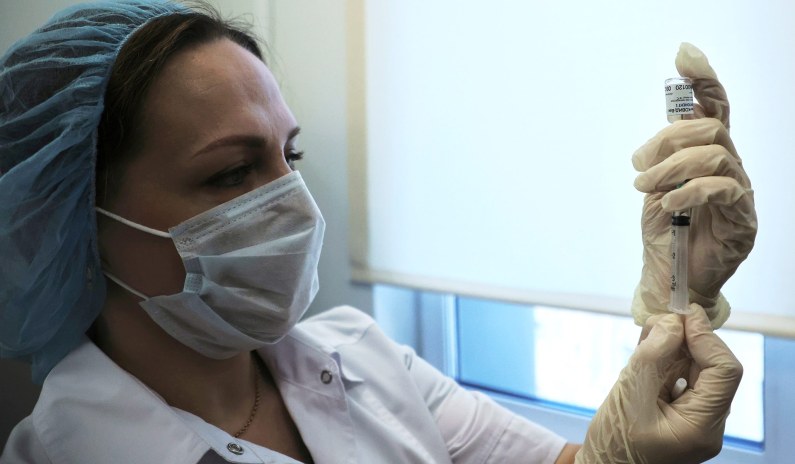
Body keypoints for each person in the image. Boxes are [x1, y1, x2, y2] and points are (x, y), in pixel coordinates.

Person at [0, 1, 756, 463]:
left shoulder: (359, 357)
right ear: (69, 220)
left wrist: (675, 299)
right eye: (230, 173)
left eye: (290, 157)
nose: (294, 205)